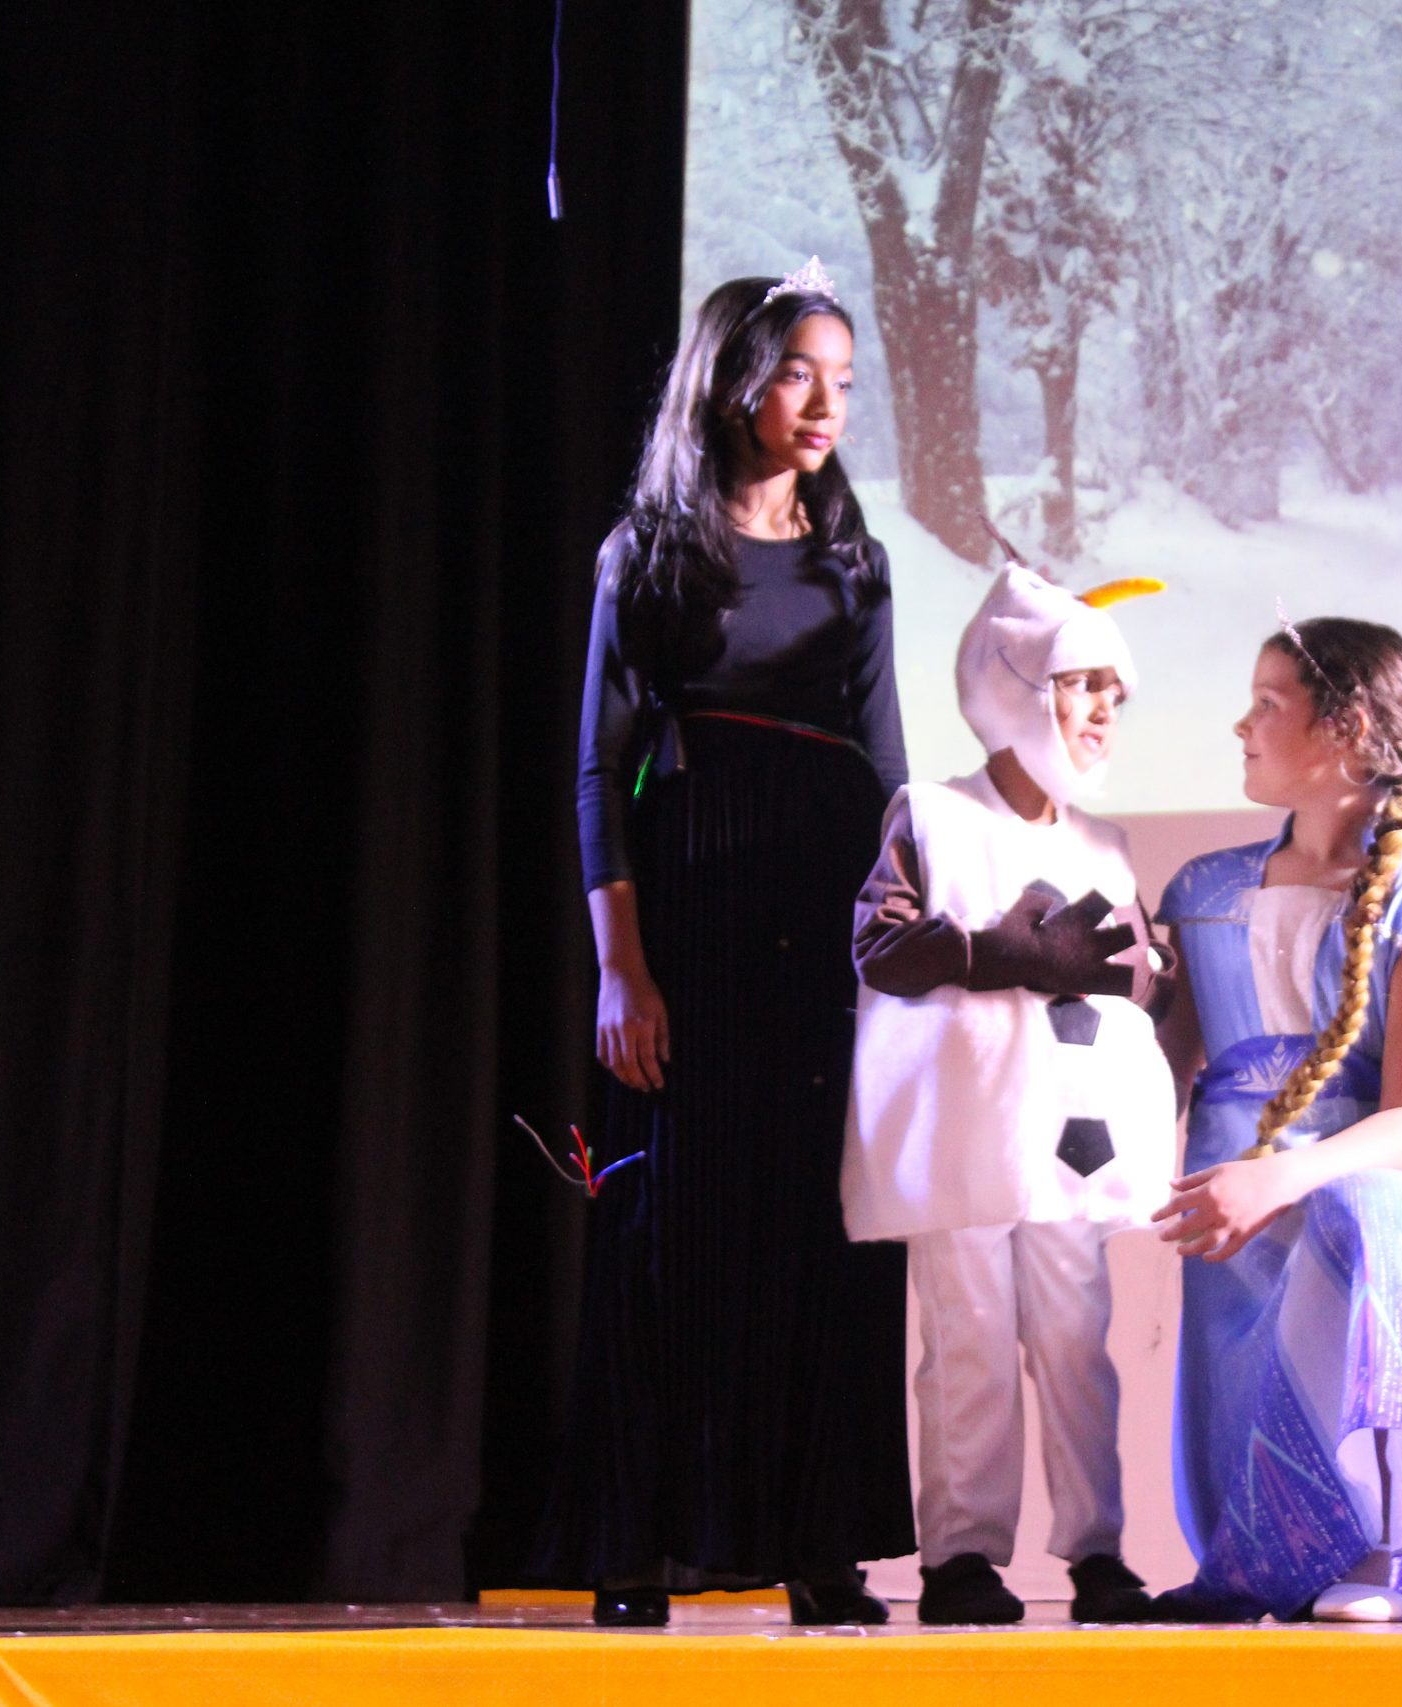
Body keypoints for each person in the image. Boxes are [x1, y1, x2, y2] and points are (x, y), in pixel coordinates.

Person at [533, 262, 914, 1627]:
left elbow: (888, 765)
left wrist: (904, 925)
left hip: (823, 908)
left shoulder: (854, 559)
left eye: (844, 381)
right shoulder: (648, 552)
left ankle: (822, 1544)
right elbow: (601, 769)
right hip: (692, 901)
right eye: (800, 373)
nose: (825, 404)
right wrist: (621, 966)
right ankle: (639, 1546)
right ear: (734, 379)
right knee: (672, 1222)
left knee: (823, 1224)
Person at [1146, 618, 1402, 1624]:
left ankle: (1394, 1553)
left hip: (1362, 1190)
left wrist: (1279, 1177)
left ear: (1345, 730)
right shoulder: (1204, 891)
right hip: (1235, 1188)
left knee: (1363, 1214)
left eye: (1269, 704)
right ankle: (1257, 1560)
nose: (1243, 724)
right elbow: (1164, 1070)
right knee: (1249, 1388)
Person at [844, 565, 1175, 1626]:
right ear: (1017, 683)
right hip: (967, 1141)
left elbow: (1141, 976)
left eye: (1114, 693)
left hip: (1075, 1144)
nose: (1102, 712)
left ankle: (1097, 1552)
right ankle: (962, 1557)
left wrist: (1138, 972)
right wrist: (1002, 951)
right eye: (1082, 686)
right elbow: (881, 945)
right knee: (969, 1345)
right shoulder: (934, 817)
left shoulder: (1103, 845)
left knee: (1078, 1347)